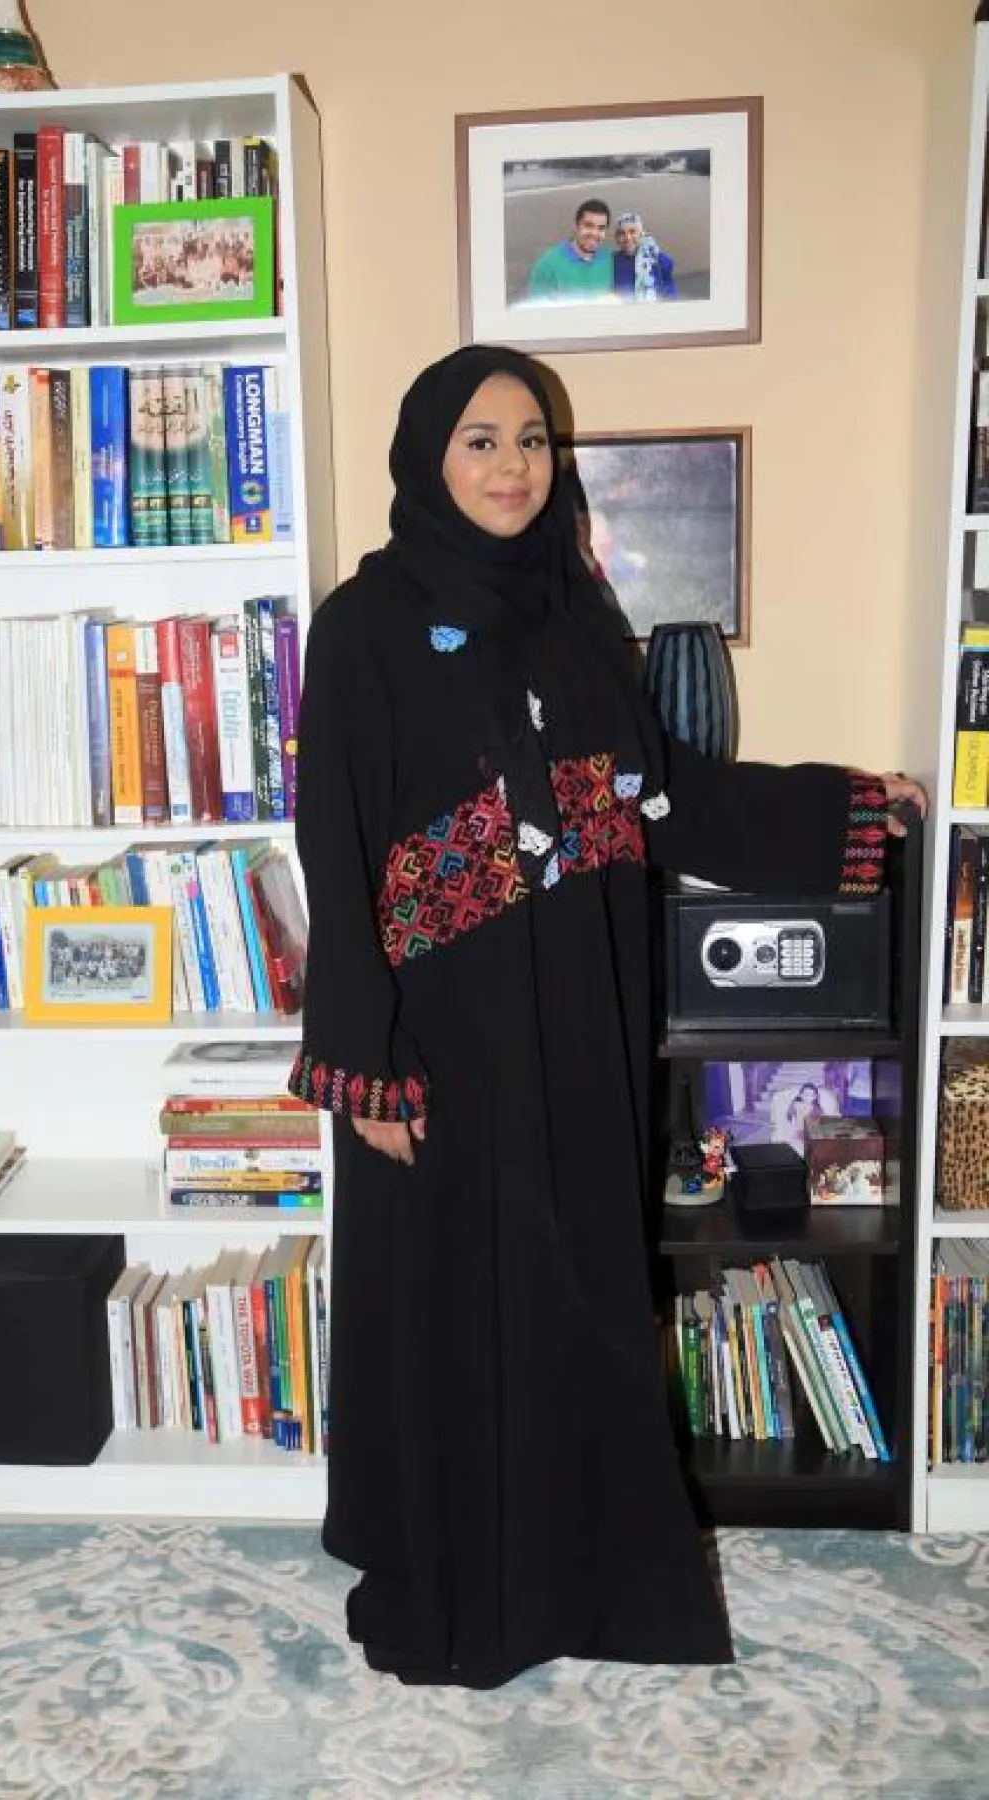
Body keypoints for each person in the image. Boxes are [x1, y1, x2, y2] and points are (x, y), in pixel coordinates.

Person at [288, 343, 927, 1690]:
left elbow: (658, 793)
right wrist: (368, 1064)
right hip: (438, 1042)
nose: (512, 465)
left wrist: (843, 805)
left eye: (532, 440)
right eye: (481, 440)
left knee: (574, 1298)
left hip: (580, 1019)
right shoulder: (364, 624)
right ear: (427, 457)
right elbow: (334, 851)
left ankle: (579, 1578)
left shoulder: (577, 615)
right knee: (456, 1308)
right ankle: (458, 1589)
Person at [526, 198, 615, 302]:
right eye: (588, 226)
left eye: (601, 228)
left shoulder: (609, 259)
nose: (594, 233)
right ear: (575, 226)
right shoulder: (548, 265)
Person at [613, 211, 677, 302]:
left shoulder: (659, 260)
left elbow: (669, 292)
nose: (627, 238)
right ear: (616, 238)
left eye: (632, 232)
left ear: (641, 234)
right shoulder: (611, 262)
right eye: (621, 233)